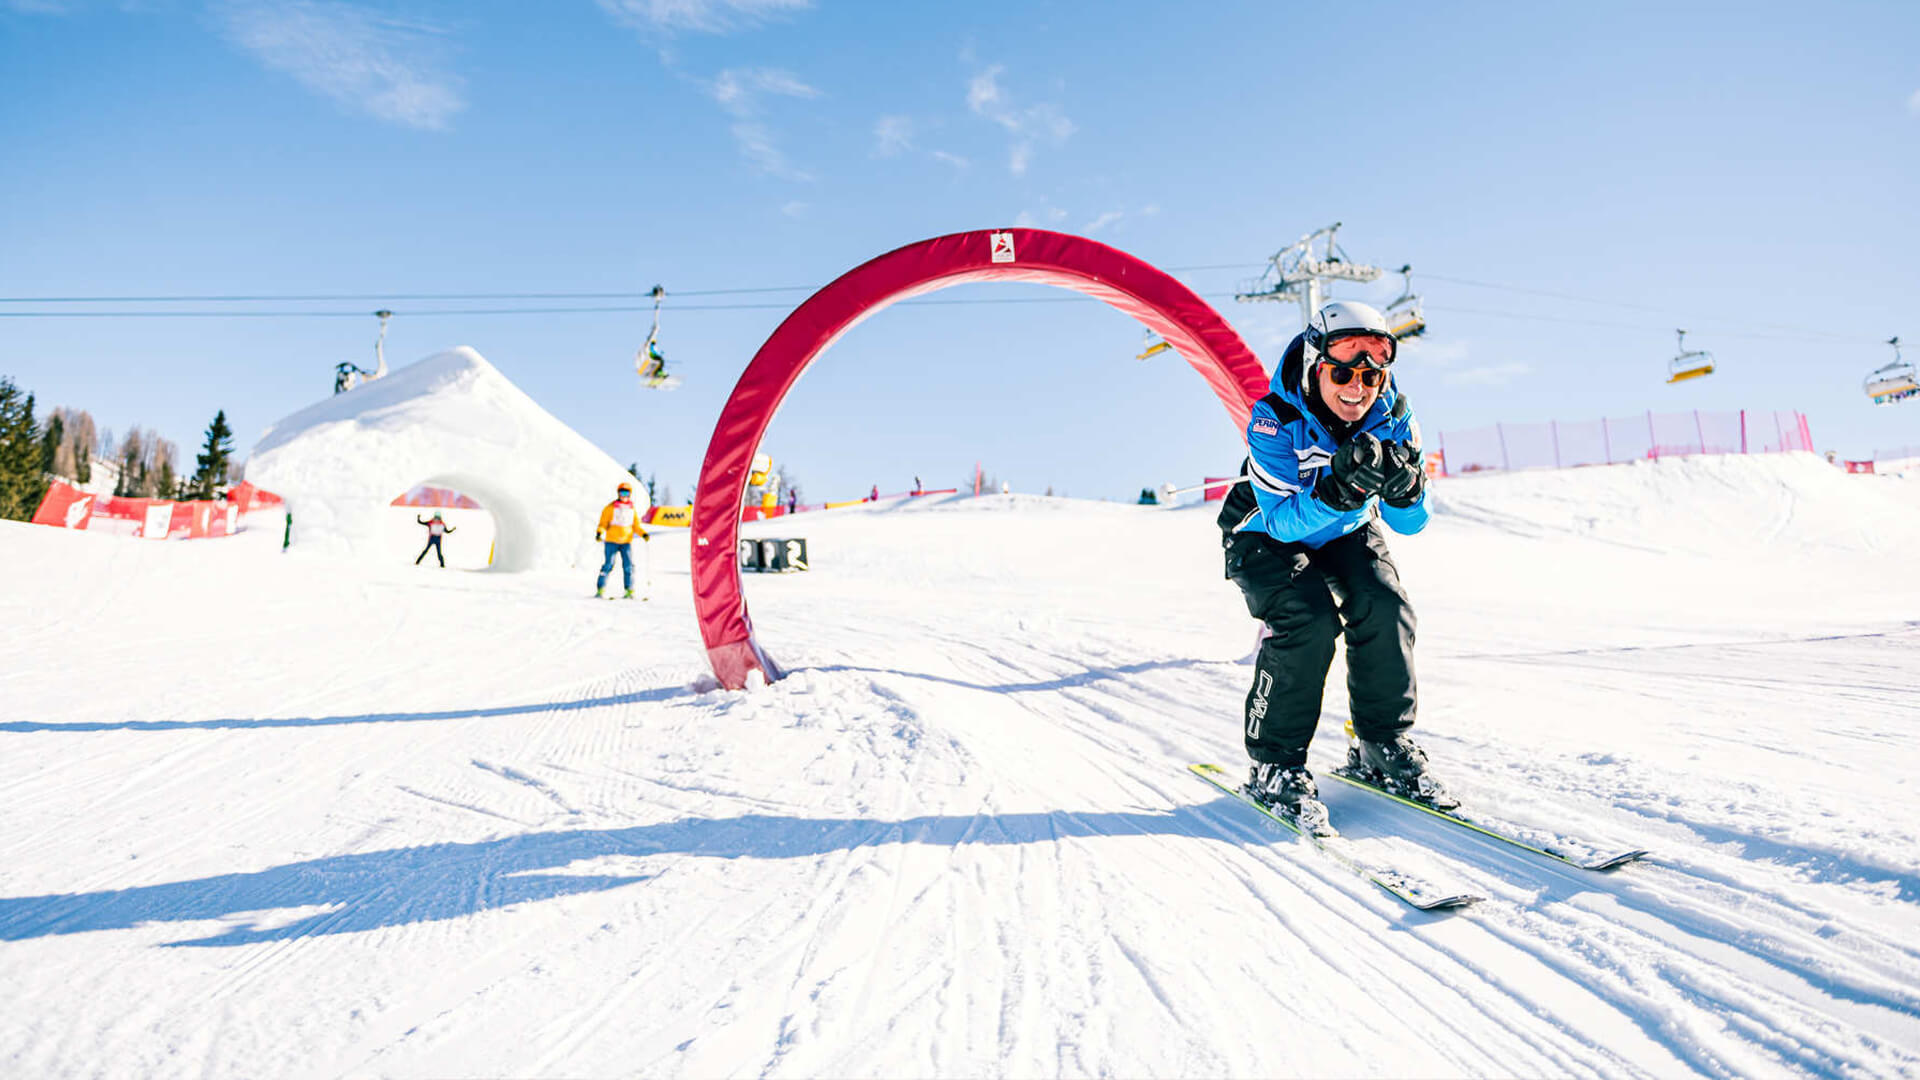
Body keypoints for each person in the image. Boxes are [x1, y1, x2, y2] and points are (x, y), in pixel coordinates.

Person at [1214, 300, 1450, 832]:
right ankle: (1275, 762)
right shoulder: (1275, 419)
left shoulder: (1392, 415)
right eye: (1341, 371)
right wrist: (1338, 491)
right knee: (1309, 621)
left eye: (1371, 373)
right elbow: (1281, 524)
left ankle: (1379, 741)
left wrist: (1407, 490)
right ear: (1316, 365)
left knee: (1385, 605)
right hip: (1262, 530)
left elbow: (1410, 523)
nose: (1356, 387)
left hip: (1344, 528)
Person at [594, 481, 650, 598]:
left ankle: (629, 590)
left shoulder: (631, 509)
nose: (624, 495)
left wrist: (643, 534)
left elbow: (635, 525)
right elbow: (603, 523)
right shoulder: (610, 508)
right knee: (609, 564)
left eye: (626, 493)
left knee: (628, 566)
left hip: (626, 542)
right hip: (611, 541)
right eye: (622, 492)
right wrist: (600, 532)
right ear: (618, 493)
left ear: (630, 494)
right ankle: (601, 589)